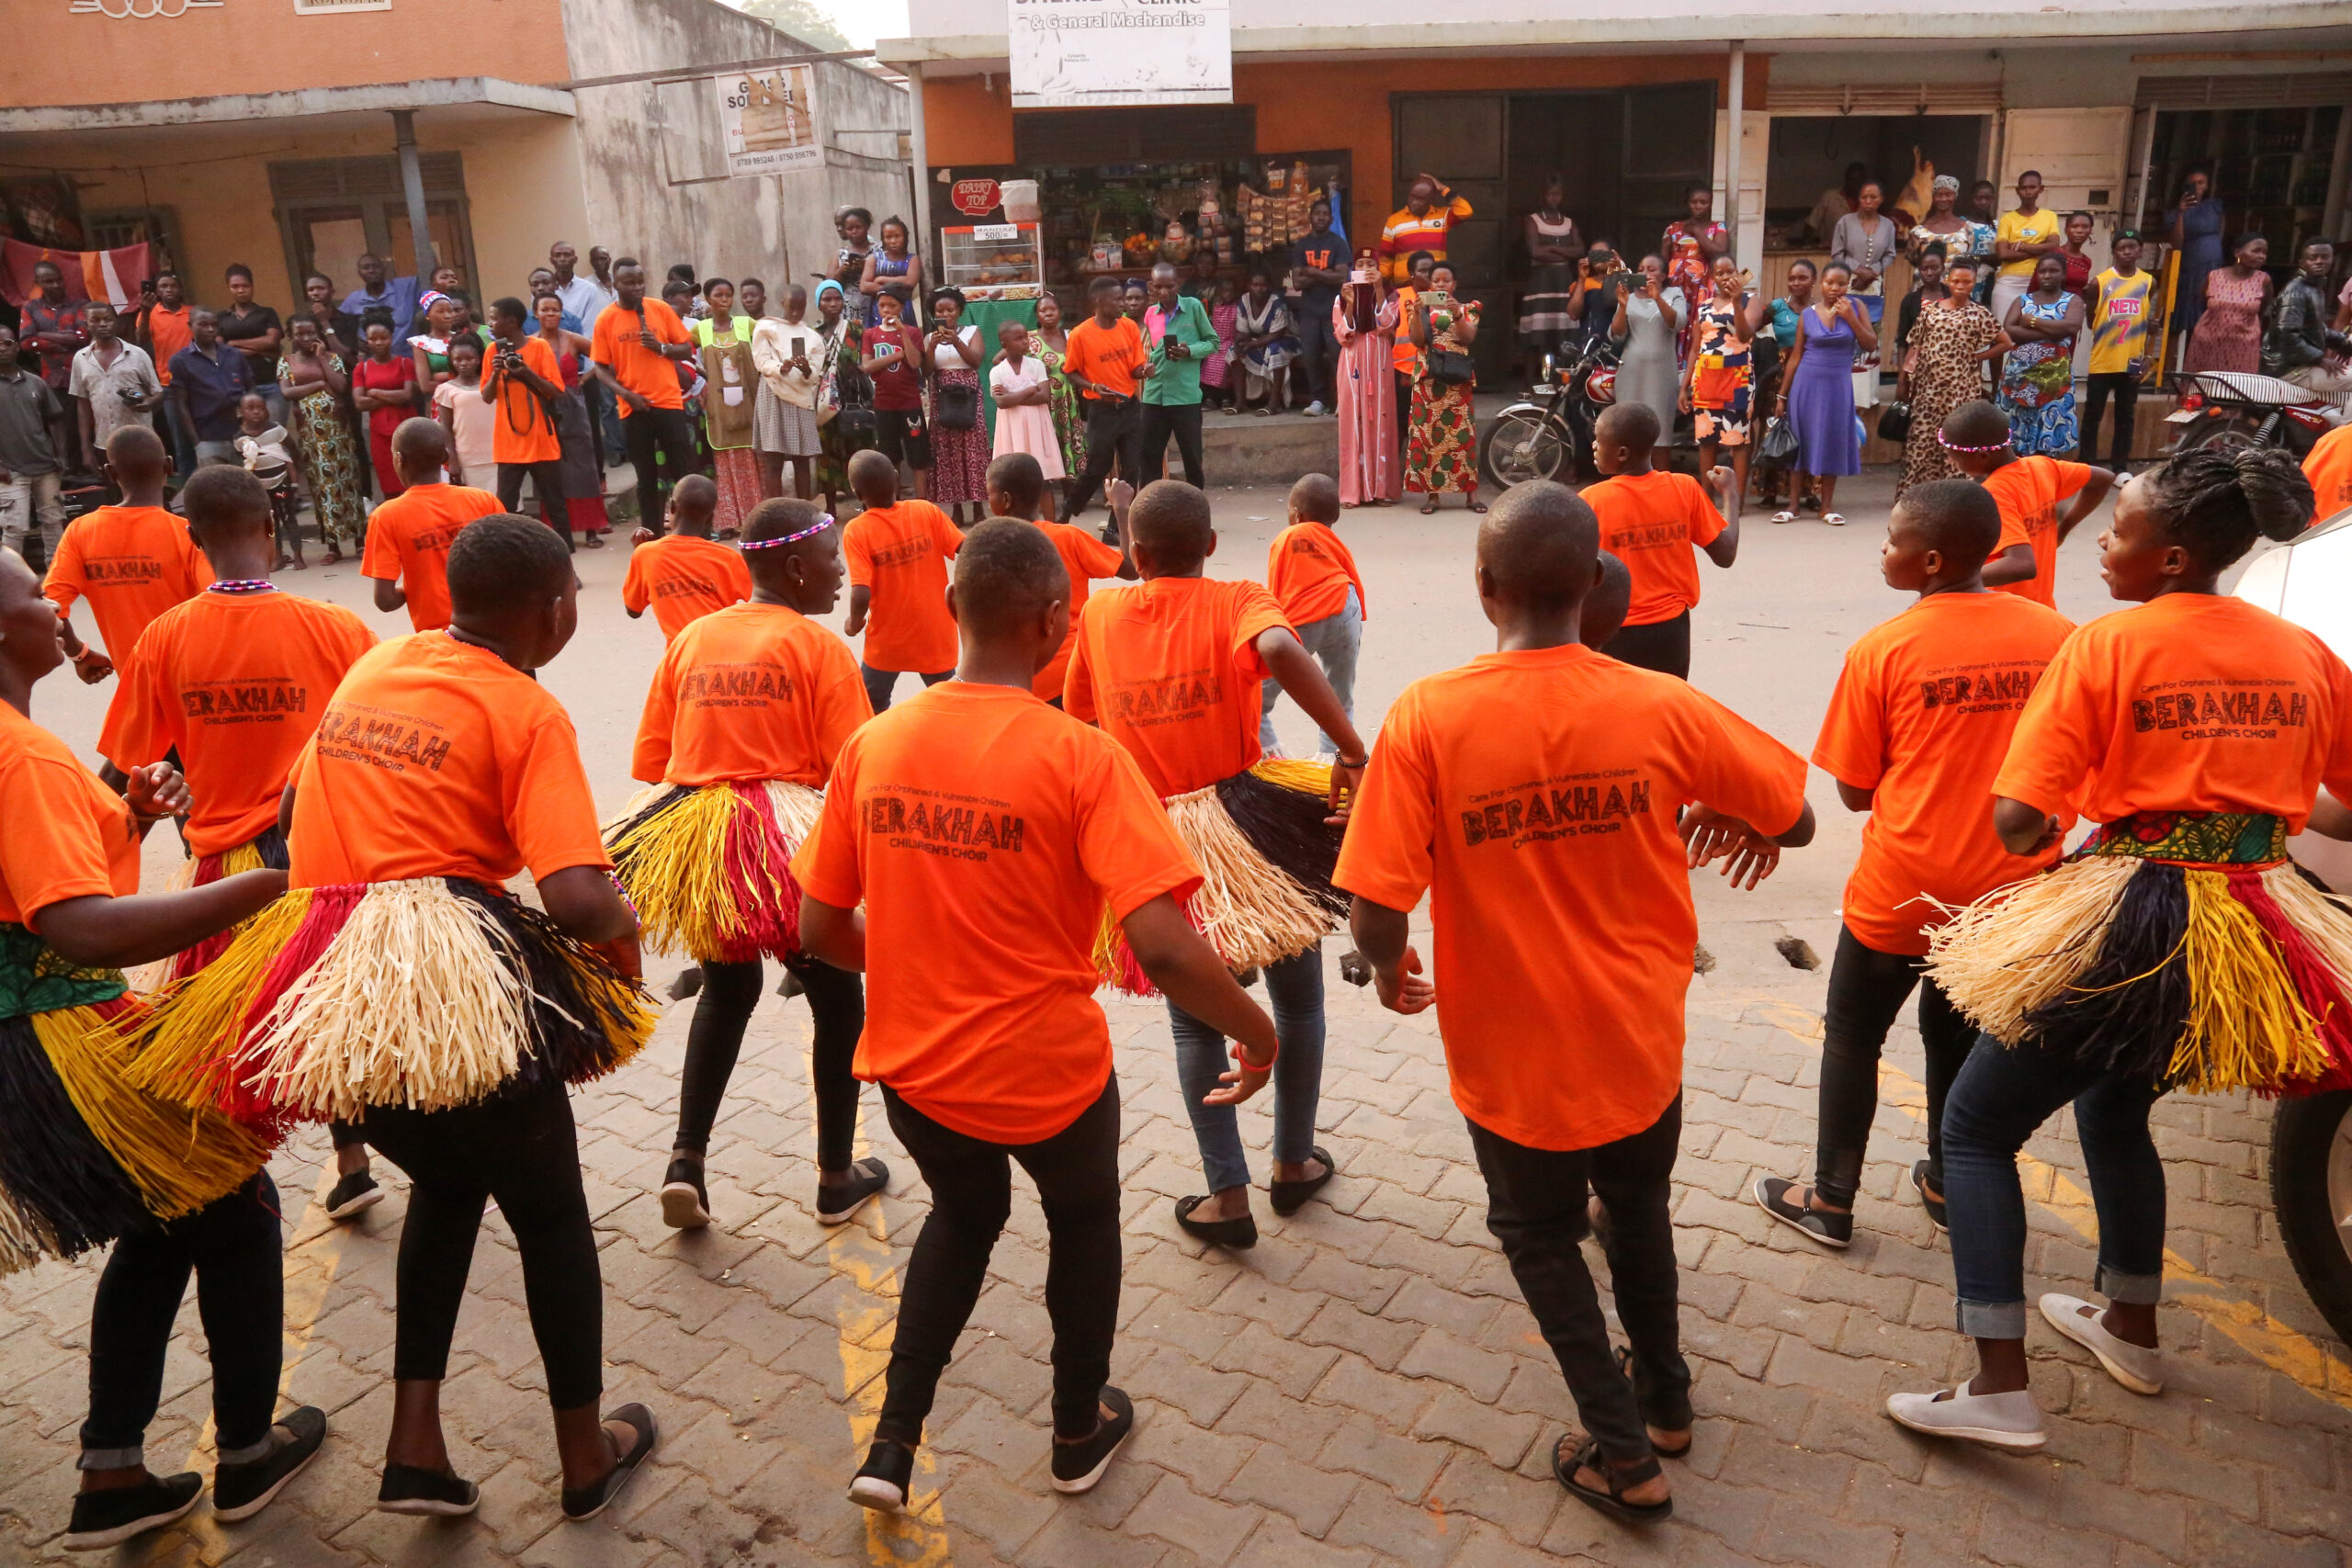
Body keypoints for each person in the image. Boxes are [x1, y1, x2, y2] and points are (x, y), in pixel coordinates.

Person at [147, 516, 658, 1517]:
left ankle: (412, 1448)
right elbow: (577, 900)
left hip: (327, 993)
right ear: (552, 608)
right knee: (551, 1217)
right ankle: (584, 1459)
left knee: (450, 1183)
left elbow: (295, 826)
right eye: (575, 600)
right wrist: (626, 941)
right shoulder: (526, 707)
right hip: (442, 990)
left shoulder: (377, 669)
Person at [1338, 479, 1813, 1528]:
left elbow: (1373, 902)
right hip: (1640, 1034)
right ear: (1594, 584)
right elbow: (1799, 815)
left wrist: (1384, 966)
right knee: (1635, 1207)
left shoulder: (1428, 715)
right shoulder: (1659, 705)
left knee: (1540, 1233)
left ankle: (1624, 1454)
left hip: (1510, 1052)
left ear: (1481, 586)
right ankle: (1668, 1401)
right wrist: (1734, 818)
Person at [798, 518, 1278, 1514]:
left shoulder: (874, 743)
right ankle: (1073, 1431)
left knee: (962, 1219)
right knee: (1081, 1224)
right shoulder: (1082, 757)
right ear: (1058, 620)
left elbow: (817, 924)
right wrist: (1256, 1028)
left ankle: (890, 1446)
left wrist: (916, 965)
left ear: (947, 609)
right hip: (1047, 1080)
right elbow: (1163, 946)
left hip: (914, 1076)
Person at [1896, 448, 2348, 1452]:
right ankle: (2131, 1326)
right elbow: (2347, 811)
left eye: (2121, 530)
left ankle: (1997, 1385)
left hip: (2136, 917)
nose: (2101, 540)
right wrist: (2250, 802)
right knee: (2112, 1107)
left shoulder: (2108, 645)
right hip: (2251, 922)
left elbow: (2019, 825)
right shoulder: (2305, 653)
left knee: (1972, 1130)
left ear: (2172, 557)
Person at [0, 535, 312, 1554]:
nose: (54, 606)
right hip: (58, 1033)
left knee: (170, 1215)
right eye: (28, 590)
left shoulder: (24, 748)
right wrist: (266, 885)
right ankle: (248, 1454)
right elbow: (79, 926)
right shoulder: (25, 755)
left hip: (31, 1038)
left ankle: (114, 1473)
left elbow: (45, 881)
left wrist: (129, 811)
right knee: (235, 1196)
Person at [1754, 479, 2073, 1249]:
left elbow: (1856, 791)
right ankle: (1948, 1178)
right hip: (2010, 893)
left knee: (1853, 1035)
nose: (1882, 546)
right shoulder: (2059, 636)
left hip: (1903, 891)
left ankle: (1831, 1199)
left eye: (1892, 537)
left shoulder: (1884, 649)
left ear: (1929, 559)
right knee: (1956, 1034)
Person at [1065, 479, 1367, 1248]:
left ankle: (1225, 1195)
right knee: (1298, 1003)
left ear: (1134, 554)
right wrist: (1352, 748)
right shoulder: (1236, 597)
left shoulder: (1098, 613)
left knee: (1195, 1019)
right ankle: (1293, 1164)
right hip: (1252, 824)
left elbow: (1079, 719)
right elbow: (1276, 647)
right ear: (1208, 544)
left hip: (1158, 836)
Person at [109, 462, 384, 1209]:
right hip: (319, 855)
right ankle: (355, 1157)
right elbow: (377, 746)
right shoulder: (338, 627)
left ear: (193, 540)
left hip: (224, 872)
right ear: (271, 526)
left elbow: (129, 765)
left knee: (223, 1025)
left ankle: (225, 1182)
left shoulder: (163, 637)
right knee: (333, 1004)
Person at [607, 497, 885, 1231]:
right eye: (833, 562)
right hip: (787, 852)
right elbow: (853, 772)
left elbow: (654, 762)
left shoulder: (693, 638)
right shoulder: (819, 649)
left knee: (728, 993)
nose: (841, 577)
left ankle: (686, 1163)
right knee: (838, 998)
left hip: (707, 849)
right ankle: (834, 1173)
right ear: (795, 568)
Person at [42, 427, 212, 751]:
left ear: (109, 472)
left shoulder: (81, 533)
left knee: (139, 782)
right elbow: (219, 601)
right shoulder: (186, 534)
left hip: (140, 697)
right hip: (194, 689)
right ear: (169, 466)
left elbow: (49, 608)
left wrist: (78, 653)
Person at [1584, 403, 1739, 681]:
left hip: (1614, 631)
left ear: (1622, 453)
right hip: (1672, 633)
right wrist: (1730, 494)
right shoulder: (1685, 488)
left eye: (1599, 440)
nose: (1594, 445)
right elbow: (1725, 554)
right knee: (1665, 711)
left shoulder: (1592, 501)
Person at [1936, 400, 2114, 611]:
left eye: (1955, 458)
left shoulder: (1994, 493)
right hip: (2041, 608)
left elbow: (2022, 564)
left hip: (2005, 612)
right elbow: (2103, 478)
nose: (1951, 463)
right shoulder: (2041, 467)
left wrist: (1952, 581)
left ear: (1982, 455)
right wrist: (2063, 528)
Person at [986, 453, 1129, 708]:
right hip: (1078, 667)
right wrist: (1121, 509)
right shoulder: (1069, 537)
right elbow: (1131, 568)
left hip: (1023, 676)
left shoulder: (989, 547)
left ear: (1005, 500)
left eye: (990, 495)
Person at [843, 447, 963, 712]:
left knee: (871, 703)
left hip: (888, 639)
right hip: (934, 632)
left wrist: (853, 623)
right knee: (950, 702)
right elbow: (966, 550)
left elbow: (861, 591)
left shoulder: (857, 530)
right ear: (897, 478)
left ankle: (880, 748)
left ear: (857, 493)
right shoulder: (926, 511)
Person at [360, 418, 502, 633]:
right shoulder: (484, 500)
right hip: (497, 627)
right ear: (444, 457)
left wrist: (420, 586)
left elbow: (385, 600)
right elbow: (512, 566)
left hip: (441, 638)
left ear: (399, 459)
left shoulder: (386, 516)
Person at [592, 259, 699, 533]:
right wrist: (626, 395)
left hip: (669, 403)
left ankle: (691, 530)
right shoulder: (606, 319)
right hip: (633, 409)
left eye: (640, 281)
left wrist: (661, 347)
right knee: (646, 478)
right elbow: (600, 368)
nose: (637, 287)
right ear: (616, 285)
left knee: (683, 473)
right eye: (630, 282)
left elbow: (686, 350)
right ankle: (652, 535)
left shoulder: (660, 309)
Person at [1261, 474, 1364, 755]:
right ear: (1336, 516)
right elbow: (1350, 576)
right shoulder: (1333, 541)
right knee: (1339, 697)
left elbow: (1277, 588)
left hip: (1302, 619)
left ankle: (1272, 756)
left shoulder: (1286, 537)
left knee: (1256, 698)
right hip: (1345, 609)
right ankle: (1332, 760)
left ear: (1296, 514)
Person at [1895, 258, 2007, 496]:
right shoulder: (1931, 310)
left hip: (1959, 389)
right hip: (1927, 388)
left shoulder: (1979, 314)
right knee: (1921, 441)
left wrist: (1978, 357)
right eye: (1955, 280)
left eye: (1966, 282)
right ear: (1947, 280)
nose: (1960, 286)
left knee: (1956, 440)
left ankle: (1955, 496)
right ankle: (1915, 496)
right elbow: (1914, 345)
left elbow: (2005, 343)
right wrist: (1904, 379)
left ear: (1973, 283)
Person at [1774, 262, 1874, 525]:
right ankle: (1793, 506)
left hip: (1837, 387)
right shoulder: (1808, 314)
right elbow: (1796, 356)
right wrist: (1782, 396)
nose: (1835, 288)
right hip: (1805, 385)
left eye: (1841, 283)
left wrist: (1850, 318)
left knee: (1832, 442)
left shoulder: (1857, 308)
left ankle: (1827, 506)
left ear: (1848, 284)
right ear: (1821, 284)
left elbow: (1870, 344)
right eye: (1830, 283)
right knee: (1800, 444)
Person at [480, 297, 572, 547]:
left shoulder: (539, 347)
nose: (490, 323)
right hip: (508, 444)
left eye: (494, 318)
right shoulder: (491, 351)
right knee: (506, 507)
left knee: (555, 506)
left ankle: (566, 563)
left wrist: (525, 372)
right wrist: (498, 371)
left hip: (541, 439)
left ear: (511, 322)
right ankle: (509, 554)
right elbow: (487, 397)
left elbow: (556, 391)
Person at [1057, 276, 1148, 529]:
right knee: (1098, 467)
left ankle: (1115, 528)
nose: (1123, 304)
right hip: (1101, 410)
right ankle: (1069, 509)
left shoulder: (1128, 327)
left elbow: (1134, 369)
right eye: (1118, 299)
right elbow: (1070, 372)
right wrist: (1094, 387)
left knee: (1132, 468)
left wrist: (1144, 371)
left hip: (1129, 406)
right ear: (1098, 301)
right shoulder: (1080, 335)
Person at [272, 316, 363, 560]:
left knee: (348, 484)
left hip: (338, 433)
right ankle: (333, 546)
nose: (306, 338)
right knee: (322, 488)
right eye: (300, 334)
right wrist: (319, 384)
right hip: (311, 438)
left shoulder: (331, 358)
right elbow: (287, 392)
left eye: (311, 333)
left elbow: (341, 386)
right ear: (291, 336)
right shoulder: (286, 362)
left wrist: (323, 359)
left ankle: (359, 540)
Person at [621, 474, 752, 641]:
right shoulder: (729, 559)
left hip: (681, 658)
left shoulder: (646, 554)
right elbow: (761, 604)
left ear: (672, 507)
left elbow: (633, 610)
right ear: (710, 518)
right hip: (725, 652)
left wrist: (641, 556)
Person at [529, 294, 610, 543]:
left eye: (555, 309)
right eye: (545, 310)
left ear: (562, 313)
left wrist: (584, 380)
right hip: (542, 411)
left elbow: (604, 356)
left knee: (583, 469)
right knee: (549, 469)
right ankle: (555, 528)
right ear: (536, 314)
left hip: (574, 409)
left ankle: (590, 529)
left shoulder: (573, 340)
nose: (550, 314)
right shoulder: (530, 343)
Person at [1405, 264, 1483, 513]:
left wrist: (1456, 314)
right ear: (1430, 285)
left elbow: (1468, 337)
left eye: (1445, 280)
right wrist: (1417, 314)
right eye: (1435, 280)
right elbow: (1418, 341)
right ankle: (1433, 496)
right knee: (1429, 439)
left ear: (1454, 284)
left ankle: (1471, 496)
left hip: (1457, 382)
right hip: (1429, 382)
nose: (1440, 284)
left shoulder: (1468, 309)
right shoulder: (1419, 308)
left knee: (1463, 439)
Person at [686, 279, 760, 536]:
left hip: (748, 404)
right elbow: (681, 350)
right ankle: (727, 522)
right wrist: (699, 378)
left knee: (751, 460)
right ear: (708, 299)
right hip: (718, 405)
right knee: (724, 462)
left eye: (729, 295)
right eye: (719, 295)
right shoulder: (701, 330)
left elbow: (769, 340)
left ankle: (755, 518)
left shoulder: (746, 324)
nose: (725, 299)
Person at [1682, 255, 1757, 500]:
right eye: (1720, 273)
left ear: (1738, 273)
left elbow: (1745, 336)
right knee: (1707, 439)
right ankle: (1706, 498)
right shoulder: (1704, 307)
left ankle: (1736, 500)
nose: (1725, 277)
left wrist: (1736, 303)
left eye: (1730, 271)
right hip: (1705, 379)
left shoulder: (1750, 301)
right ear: (1713, 278)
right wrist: (1684, 387)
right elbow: (1694, 348)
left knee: (1738, 440)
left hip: (1737, 378)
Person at [2081, 231, 2154, 473]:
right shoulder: (2099, 282)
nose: (2126, 251)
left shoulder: (2148, 282)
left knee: (2126, 416)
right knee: (2093, 414)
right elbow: (2092, 320)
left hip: (2131, 361)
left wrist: (2147, 355)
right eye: (2121, 247)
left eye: (2132, 246)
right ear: (2114, 251)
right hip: (2103, 359)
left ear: (2140, 250)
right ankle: (2086, 464)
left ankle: (2120, 466)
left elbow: (2146, 317)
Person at [1997, 253, 2083, 457]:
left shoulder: (2073, 300)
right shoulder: (2022, 300)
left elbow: (2071, 326)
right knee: (2014, 438)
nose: (2046, 275)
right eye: (2042, 271)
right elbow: (2009, 330)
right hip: (2019, 378)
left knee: (2049, 437)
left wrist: (2033, 322)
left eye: (2053, 271)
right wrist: (2052, 331)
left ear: (2063, 274)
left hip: (2054, 379)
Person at [1140, 262, 1217, 488]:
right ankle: (1150, 512)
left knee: (1192, 459)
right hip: (1155, 395)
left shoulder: (1193, 307)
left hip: (1186, 396)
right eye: (1158, 287)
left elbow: (1213, 342)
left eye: (1169, 286)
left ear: (1179, 284)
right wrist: (1146, 368)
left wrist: (1189, 351)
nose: (1164, 292)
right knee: (1149, 460)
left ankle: (1196, 513)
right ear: (1151, 287)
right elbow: (1150, 351)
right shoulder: (1150, 314)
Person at [1334, 260, 1401, 506]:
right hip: (1352, 361)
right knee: (1353, 422)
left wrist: (1379, 288)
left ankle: (1382, 490)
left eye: (1370, 264)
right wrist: (1350, 303)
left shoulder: (1391, 294)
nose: (1365, 268)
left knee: (1381, 418)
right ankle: (1353, 493)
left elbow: (1386, 325)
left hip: (1380, 360)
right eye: (1360, 264)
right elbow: (1344, 334)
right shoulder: (1341, 297)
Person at [69, 301, 163, 474]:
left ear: (115, 322)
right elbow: (82, 404)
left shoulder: (137, 354)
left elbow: (158, 392)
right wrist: (85, 448)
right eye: (95, 320)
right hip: (105, 443)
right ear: (86, 324)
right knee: (117, 494)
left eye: (108, 319)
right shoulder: (80, 359)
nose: (103, 324)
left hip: (141, 440)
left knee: (148, 489)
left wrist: (148, 402)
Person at [751, 284, 824, 502]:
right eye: (791, 307)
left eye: (800, 308)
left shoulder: (812, 337)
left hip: (800, 399)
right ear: (782, 303)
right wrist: (780, 367)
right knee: (773, 460)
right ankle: (776, 509)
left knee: (802, 459)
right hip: (773, 394)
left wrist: (805, 369)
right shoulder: (765, 328)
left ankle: (803, 510)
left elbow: (815, 374)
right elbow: (761, 361)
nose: (795, 313)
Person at [0, 324, 67, 562]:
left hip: (46, 467)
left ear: (17, 347)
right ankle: (9, 584)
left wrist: (61, 455)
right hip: (10, 470)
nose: (2, 348)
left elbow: (56, 420)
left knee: (53, 521)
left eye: (7, 343)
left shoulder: (35, 383)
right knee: (14, 529)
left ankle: (57, 576)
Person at [1830, 182, 1900, 408]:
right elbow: (1837, 253)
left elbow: (1890, 254)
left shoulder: (1888, 225)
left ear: (1881, 200)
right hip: (1847, 283)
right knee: (1847, 334)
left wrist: (1874, 272)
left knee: (1871, 335)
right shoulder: (1845, 222)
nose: (1868, 202)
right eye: (1863, 198)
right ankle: (1845, 392)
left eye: (1873, 198)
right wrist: (1858, 270)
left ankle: (1866, 395)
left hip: (1874, 286)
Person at [922, 288, 988, 520]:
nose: (946, 314)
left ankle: (979, 506)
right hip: (942, 397)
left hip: (968, 397)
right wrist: (931, 347)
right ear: (934, 314)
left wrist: (957, 341)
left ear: (959, 310)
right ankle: (957, 508)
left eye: (950, 310)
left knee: (973, 449)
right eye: (940, 310)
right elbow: (927, 370)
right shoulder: (930, 338)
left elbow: (976, 360)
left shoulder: (972, 332)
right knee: (947, 451)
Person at [1756, 259, 1815, 513]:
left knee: (1809, 433)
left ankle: (1811, 492)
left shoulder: (1820, 310)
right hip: (1780, 375)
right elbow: (1750, 330)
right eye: (1792, 278)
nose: (1796, 283)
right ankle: (1769, 491)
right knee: (1774, 430)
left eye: (1802, 278)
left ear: (1814, 280)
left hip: (1811, 373)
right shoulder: (1777, 307)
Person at [19, 259, 90, 468]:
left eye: (59, 280)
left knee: (84, 426)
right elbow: (25, 342)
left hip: (80, 375)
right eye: (49, 281)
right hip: (51, 378)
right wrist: (64, 338)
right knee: (60, 427)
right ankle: (68, 470)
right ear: (39, 283)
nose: (56, 285)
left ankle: (86, 469)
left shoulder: (79, 305)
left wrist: (41, 335)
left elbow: (82, 337)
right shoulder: (31, 307)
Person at [2266, 238, 2352, 408]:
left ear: (2332, 259)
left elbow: (2317, 331)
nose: (2319, 261)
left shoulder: (2313, 288)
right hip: (2290, 369)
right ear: (2302, 262)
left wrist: (2344, 342)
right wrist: (2320, 359)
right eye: (2313, 257)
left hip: (2300, 364)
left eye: (2325, 256)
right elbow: (2286, 334)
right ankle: (2344, 432)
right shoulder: (2297, 291)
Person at [167, 310, 256, 468]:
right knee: (216, 487)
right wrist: (197, 442)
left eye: (214, 325)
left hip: (242, 435)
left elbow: (251, 389)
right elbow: (181, 404)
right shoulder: (180, 361)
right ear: (190, 325)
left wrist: (252, 426)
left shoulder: (234, 354)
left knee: (248, 484)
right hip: (208, 438)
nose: (210, 329)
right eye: (203, 325)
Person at [1611, 255, 1685, 445]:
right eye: (1641, 268)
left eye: (1651, 269)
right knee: (1628, 433)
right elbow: (1617, 335)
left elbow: (1676, 323)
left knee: (1660, 435)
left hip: (1661, 376)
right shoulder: (1629, 298)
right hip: (1630, 372)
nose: (1645, 273)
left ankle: (1659, 474)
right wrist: (1622, 305)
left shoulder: (1674, 294)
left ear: (1663, 275)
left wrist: (1657, 298)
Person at [860, 292, 929, 492]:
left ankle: (921, 503)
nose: (887, 310)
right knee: (889, 457)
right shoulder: (870, 334)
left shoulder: (913, 332)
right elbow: (868, 366)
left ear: (901, 308)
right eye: (882, 306)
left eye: (892, 305)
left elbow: (915, 362)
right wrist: (899, 355)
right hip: (884, 404)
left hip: (910, 403)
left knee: (918, 457)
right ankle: (893, 501)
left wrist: (903, 333)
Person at [1990, 173, 2062, 359]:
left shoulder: (2049, 217)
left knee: (2034, 334)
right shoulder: (2007, 219)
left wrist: (2023, 246)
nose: (2028, 191)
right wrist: (2039, 249)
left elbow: (2054, 246)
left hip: (2038, 283)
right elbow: (2003, 254)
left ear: (2041, 189)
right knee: (2001, 335)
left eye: (2032, 187)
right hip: (2008, 282)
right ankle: (1998, 384)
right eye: (2024, 188)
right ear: (2017, 190)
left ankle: (2025, 384)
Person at [2180, 231, 2270, 378]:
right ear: (2237, 252)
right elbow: (2202, 302)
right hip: (2207, 345)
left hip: (2243, 348)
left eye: (2264, 252)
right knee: (2202, 391)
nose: (2261, 256)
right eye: (2256, 251)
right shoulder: (2214, 276)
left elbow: (2261, 311)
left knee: (2236, 391)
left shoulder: (2263, 280)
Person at [136, 273, 198, 480]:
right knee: (182, 442)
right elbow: (141, 339)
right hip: (170, 385)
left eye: (173, 285)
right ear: (157, 291)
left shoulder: (192, 313)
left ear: (181, 289)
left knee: (203, 437)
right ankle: (191, 488)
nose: (169, 290)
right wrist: (145, 312)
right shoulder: (150, 313)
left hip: (199, 383)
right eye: (163, 286)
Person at [350, 319, 422, 501]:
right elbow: (359, 403)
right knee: (389, 485)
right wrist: (392, 397)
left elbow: (408, 396)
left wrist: (375, 392)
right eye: (373, 338)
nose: (379, 342)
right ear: (367, 341)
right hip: (379, 434)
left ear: (392, 337)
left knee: (413, 481)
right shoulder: (361, 368)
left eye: (384, 337)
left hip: (407, 431)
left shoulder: (405, 363)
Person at [1520, 174, 1586, 367]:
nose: (1554, 198)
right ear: (1543, 196)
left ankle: (1560, 380)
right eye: (1550, 194)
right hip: (1540, 282)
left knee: (1562, 332)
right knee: (1535, 333)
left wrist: (1552, 248)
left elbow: (1580, 250)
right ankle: (1530, 383)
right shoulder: (1533, 220)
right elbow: (1534, 251)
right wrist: (1565, 253)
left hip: (1563, 282)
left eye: (1557, 194)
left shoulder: (1569, 222)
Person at [1291, 195, 1349, 415]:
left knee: (1337, 357)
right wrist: (1328, 274)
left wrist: (1313, 272)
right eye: (1318, 214)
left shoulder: (1338, 243)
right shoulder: (1302, 245)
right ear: (1310, 217)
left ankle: (1340, 401)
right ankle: (1319, 400)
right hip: (1309, 311)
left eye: (1325, 214)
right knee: (1311, 357)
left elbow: (1342, 277)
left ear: (1331, 218)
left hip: (1333, 310)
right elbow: (1297, 282)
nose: (1322, 217)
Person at [989, 320, 1065, 483]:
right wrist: (1030, 390)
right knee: (1014, 480)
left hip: (1036, 427)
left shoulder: (1036, 365)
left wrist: (1011, 395)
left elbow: (1044, 396)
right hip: (1011, 429)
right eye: (1018, 339)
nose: (1025, 342)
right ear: (1005, 344)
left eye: (1025, 337)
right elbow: (1001, 403)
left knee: (1042, 481)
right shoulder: (997, 372)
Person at [233, 392, 303, 565]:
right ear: (240, 412)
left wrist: (294, 478)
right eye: (251, 409)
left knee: (288, 518)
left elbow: (292, 450)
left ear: (267, 411)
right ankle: (277, 556)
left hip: (282, 484)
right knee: (270, 522)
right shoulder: (240, 439)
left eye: (261, 408)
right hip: (261, 488)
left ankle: (298, 556)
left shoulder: (276, 431)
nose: (256, 412)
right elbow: (240, 465)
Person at [1030, 290, 1087, 500]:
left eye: (1052, 309)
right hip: (1044, 402)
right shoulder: (1029, 339)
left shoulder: (1070, 336)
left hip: (1069, 401)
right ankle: (1043, 497)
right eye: (1042, 310)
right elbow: (1001, 358)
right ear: (1037, 315)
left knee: (1068, 445)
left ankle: (1070, 498)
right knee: (1046, 447)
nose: (1048, 313)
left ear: (1060, 312)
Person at [1662, 185, 1730, 357]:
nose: (1698, 206)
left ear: (1710, 204)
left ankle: (1693, 370)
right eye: (1694, 202)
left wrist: (1697, 232)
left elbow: (1718, 252)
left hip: (1702, 287)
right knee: (1674, 323)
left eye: (1703, 202)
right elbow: (1662, 261)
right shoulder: (1673, 228)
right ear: (1688, 204)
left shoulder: (1718, 227)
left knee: (1699, 325)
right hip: (1676, 286)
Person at [216, 265, 285, 428]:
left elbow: (272, 342)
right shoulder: (221, 318)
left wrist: (234, 343)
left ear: (252, 286)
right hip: (239, 387)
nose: (240, 290)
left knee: (275, 432)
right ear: (229, 288)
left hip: (270, 383)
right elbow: (221, 351)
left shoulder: (267, 313)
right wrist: (261, 350)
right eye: (235, 286)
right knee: (249, 438)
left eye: (245, 286)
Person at [2165, 170, 2225, 344]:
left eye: (2201, 183)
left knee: (2210, 306)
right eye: (2193, 183)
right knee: (2188, 309)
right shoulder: (2175, 212)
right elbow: (2176, 242)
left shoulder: (2214, 205)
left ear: (2207, 186)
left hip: (2214, 264)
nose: (2197, 187)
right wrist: (2181, 213)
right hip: (2191, 266)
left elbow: (2221, 228)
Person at [1381, 174, 1473, 285]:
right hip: (1405, 286)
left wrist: (1443, 189)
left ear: (1431, 199)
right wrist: (1380, 281)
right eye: (1412, 196)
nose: (1414, 201)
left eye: (1420, 199)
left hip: (1435, 285)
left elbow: (1465, 211)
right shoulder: (1394, 221)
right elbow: (1386, 259)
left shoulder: (1442, 217)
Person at [432, 337, 497, 487]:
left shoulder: (493, 385)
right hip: (467, 460)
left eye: (469, 358)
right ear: (451, 361)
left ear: (479, 359)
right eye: (458, 359)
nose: (463, 363)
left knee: (504, 507)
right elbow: (446, 428)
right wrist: (452, 460)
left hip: (498, 456)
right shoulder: (446, 390)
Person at [1232, 269, 1297, 416]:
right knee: (1233, 350)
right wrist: (1240, 341)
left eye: (1263, 285)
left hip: (1286, 339)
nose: (1259, 288)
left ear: (1269, 286)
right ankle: (1240, 401)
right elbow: (1243, 330)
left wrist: (1251, 344)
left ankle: (1274, 403)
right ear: (1249, 286)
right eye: (1255, 285)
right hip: (1258, 340)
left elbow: (1277, 334)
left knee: (1274, 350)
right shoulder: (1244, 300)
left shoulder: (1277, 302)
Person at [1908, 175, 1996, 276]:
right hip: (1925, 288)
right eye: (1939, 195)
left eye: (1948, 194)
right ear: (1933, 197)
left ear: (1955, 196)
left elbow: (1970, 259)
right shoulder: (1918, 232)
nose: (1943, 199)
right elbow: (1914, 261)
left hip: (1957, 287)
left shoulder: (1967, 229)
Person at [342, 253, 419, 349]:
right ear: (359, 272)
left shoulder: (405, 287)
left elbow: (430, 275)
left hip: (407, 359)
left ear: (384, 268)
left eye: (376, 266)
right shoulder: (354, 299)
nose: (371, 270)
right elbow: (338, 323)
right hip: (374, 361)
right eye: (366, 268)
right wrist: (355, 341)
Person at [861, 217, 921, 329]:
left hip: (903, 311)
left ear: (905, 237)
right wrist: (897, 289)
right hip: (878, 311)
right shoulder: (874, 258)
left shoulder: (913, 259)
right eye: (888, 237)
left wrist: (881, 279)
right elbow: (864, 287)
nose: (893, 241)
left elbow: (910, 281)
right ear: (883, 239)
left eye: (897, 236)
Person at [1808, 163, 1871, 247]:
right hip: (1829, 254)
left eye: (1859, 181)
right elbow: (1811, 224)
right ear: (1846, 180)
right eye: (1852, 180)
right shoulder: (1830, 197)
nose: (1855, 184)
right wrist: (1805, 245)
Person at [830, 208, 876, 297]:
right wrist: (842, 271)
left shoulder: (879, 250)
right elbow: (829, 285)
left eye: (858, 227)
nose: (854, 231)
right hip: (848, 308)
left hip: (876, 307)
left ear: (867, 226)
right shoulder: (840, 254)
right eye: (850, 229)